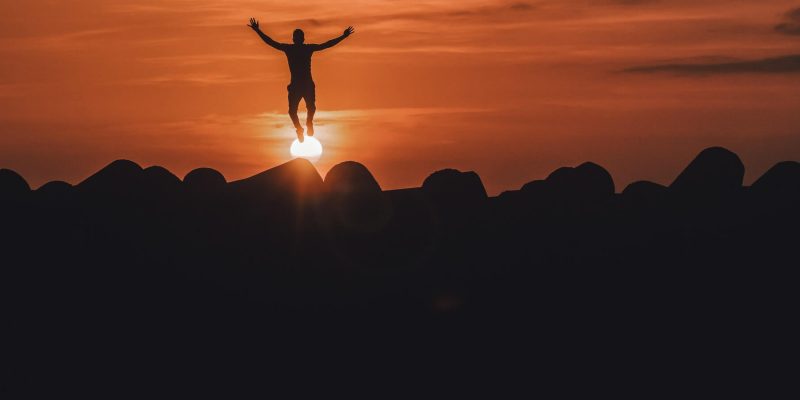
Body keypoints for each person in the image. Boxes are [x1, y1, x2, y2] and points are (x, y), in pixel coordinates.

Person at [248, 18, 354, 142]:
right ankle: (299, 129)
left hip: (305, 84)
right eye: (296, 37)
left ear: (300, 39)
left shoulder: (304, 48)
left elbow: (326, 44)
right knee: (293, 111)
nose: (297, 39)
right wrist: (257, 30)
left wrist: (343, 36)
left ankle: (308, 123)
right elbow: (271, 42)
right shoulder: (292, 49)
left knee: (310, 108)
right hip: (297, 85)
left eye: (298, 37)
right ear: (295, 39)